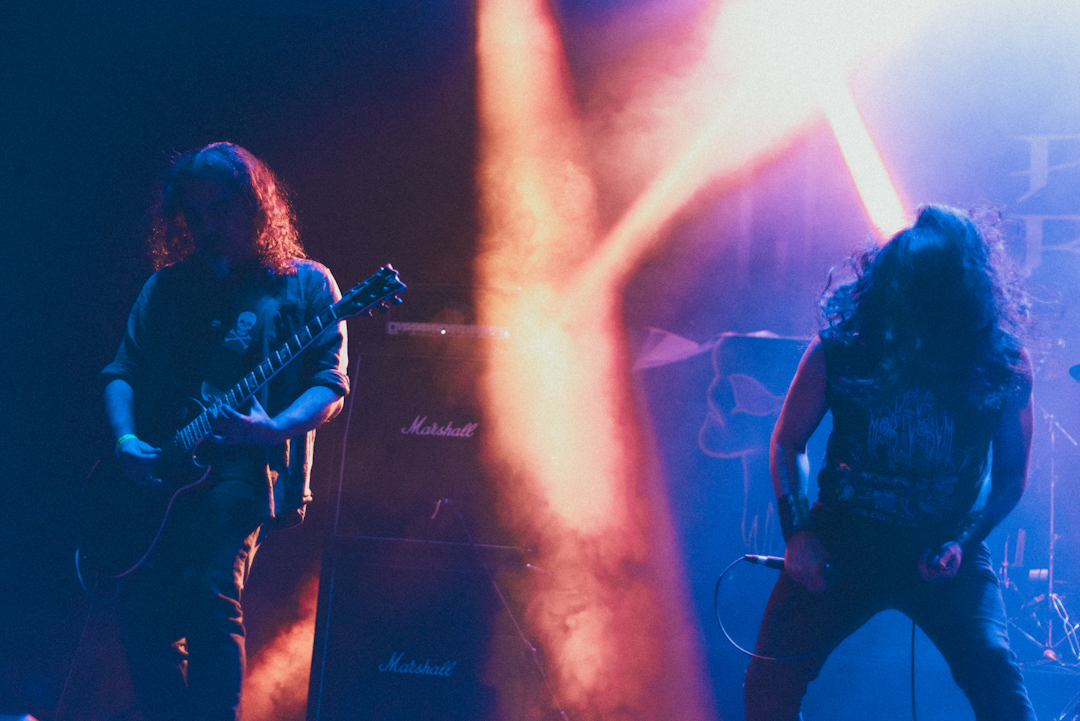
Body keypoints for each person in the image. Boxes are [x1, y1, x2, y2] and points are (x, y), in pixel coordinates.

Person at [744, 205, 1037, 720]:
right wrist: (799, 534)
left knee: (997, 678)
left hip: (943, 543)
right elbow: (788, 441)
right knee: (769, 678)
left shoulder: (1003, 362)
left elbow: (1012, 476)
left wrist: (961, 542)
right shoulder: (841, 348)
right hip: (844, 538)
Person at [101, 142, 350, 721]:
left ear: (255, 206)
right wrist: (125, 441)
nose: (207, 225)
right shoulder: (167, 288)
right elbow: (121, 372)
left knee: (209, 593)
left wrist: (275, 428)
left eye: (220, 209)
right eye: (195, 213)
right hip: (165, 473)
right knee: (142, 617)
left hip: (245, 472)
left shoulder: (305, 284)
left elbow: (329, 383)